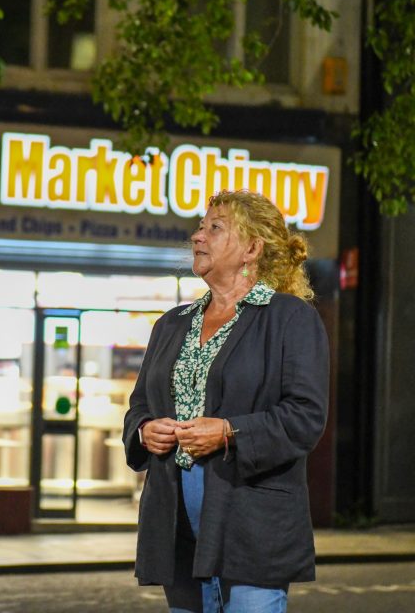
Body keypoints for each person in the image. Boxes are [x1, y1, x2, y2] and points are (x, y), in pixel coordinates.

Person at [123, 189, 329, 613]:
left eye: (215, 228)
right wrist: (145, 430)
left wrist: (229, 432)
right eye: (200, 226)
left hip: (252, 525)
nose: (198, 236)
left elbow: (306, 417)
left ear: (252, 248)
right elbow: (139, 404)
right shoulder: (171, 324)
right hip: (176, 523)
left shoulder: (289, 317)